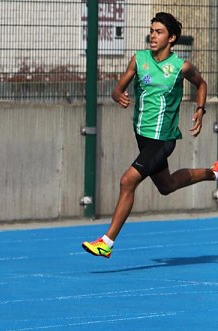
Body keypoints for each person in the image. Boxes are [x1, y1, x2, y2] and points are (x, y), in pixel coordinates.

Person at [82, 12, 217, 259]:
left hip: (162, 139)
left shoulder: (180, 67)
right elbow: (117, 89)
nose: (153, 36)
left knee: (127, 181)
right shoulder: (139, 59)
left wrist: (200, 109)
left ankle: (107, 242)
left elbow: (201, 84)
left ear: (172, 38)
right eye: (152, 31)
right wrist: (117, 95)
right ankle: (214, 172)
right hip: (142, 136)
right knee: (167, 186)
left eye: (159, 32)